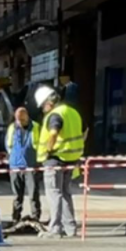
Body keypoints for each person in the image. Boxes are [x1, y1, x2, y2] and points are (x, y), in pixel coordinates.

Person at [34, 82, 85, 239]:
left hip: (55, 158)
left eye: (43, 106)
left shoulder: (55, 115)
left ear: (49, 102)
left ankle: (55, 228)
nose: (43, 109)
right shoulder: (73, 112)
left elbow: (54, 132)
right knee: (65, 193)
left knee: (54, 193)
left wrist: (48, 150)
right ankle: (70, 228)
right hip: (71, 159)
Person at [5, 106, 42, 224]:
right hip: (15, 166)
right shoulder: (12, 128)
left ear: (26, 117)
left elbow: (40, 144)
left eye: (21, 120)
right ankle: (15, 217)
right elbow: (8, 144)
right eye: (17, 120)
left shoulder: (35, 127)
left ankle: (35, 217)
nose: (19, 123)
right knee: (17, 195)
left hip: (31, 165)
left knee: (33, 194)